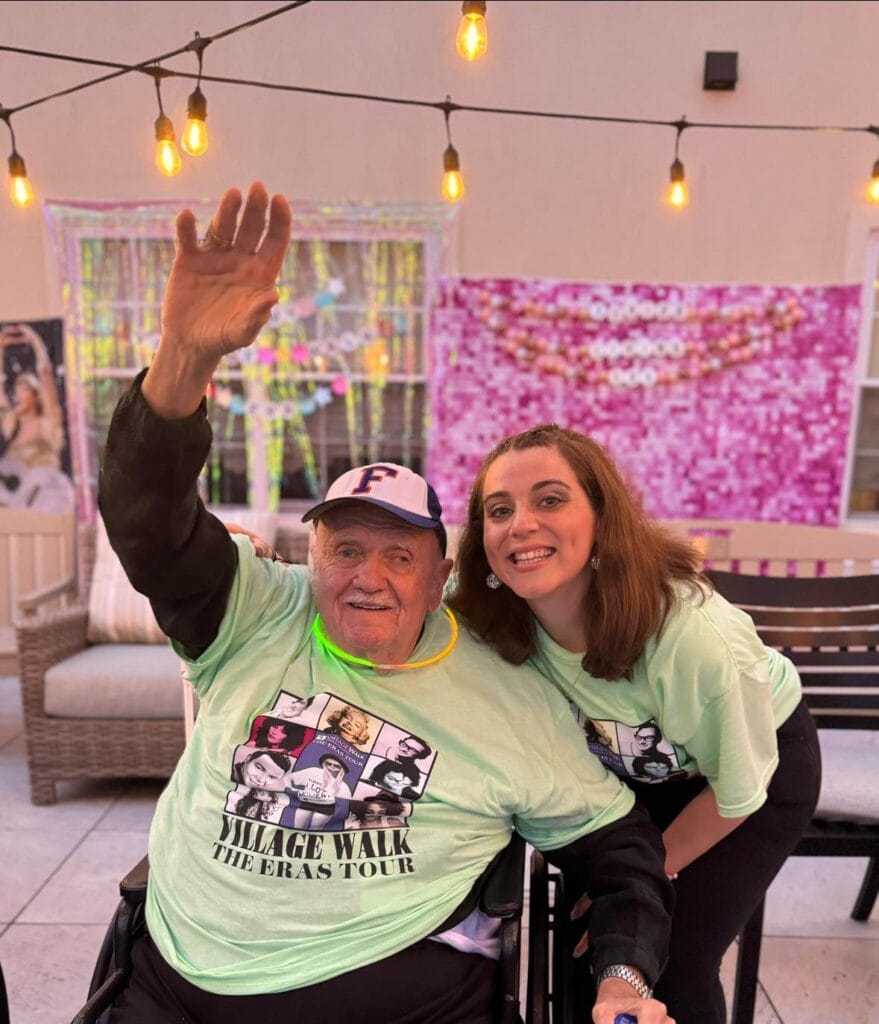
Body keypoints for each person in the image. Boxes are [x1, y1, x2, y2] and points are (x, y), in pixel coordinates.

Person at [98, 182, 675, 1024]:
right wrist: (183, 359)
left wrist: (623, 980)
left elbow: (620, 852)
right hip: (177, 979)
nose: (367, 576)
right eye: (344, 549)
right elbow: (147, 520)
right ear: (311, 554)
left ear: (441, 574)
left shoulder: (507, 691)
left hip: (377, 991)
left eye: (398, 555)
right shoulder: (255, 610)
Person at [448, 422, 822, 1024]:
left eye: (549, 499)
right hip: (628, 781)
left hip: (746, 777)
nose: (520, 524)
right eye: (499, 510)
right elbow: (384, 595)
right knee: (590, 953)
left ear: (602, 517)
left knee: (669, 957)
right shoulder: (491, 611)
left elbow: (739, 792)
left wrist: (646, 875)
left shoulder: (689, 636)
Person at [0, 323, 64, 471]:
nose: (17, 396)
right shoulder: (12, 426)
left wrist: (36, 343)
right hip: (20, 492)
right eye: (16, 391)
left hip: (48, 489)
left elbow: (45, 375)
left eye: (24, 389)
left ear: (35, 396)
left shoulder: (48, 422)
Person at [286, 753, 353, 830]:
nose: (332, 766)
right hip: (306, 802)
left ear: (341, 769)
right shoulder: (313, 771)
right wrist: (293, 790)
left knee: (314, 831)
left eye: (336, 766)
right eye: (329, 763)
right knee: (296, 829)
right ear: (325, 763)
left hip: (326, 809)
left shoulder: (344, 787)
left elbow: (347, 805)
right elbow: (289, 778)